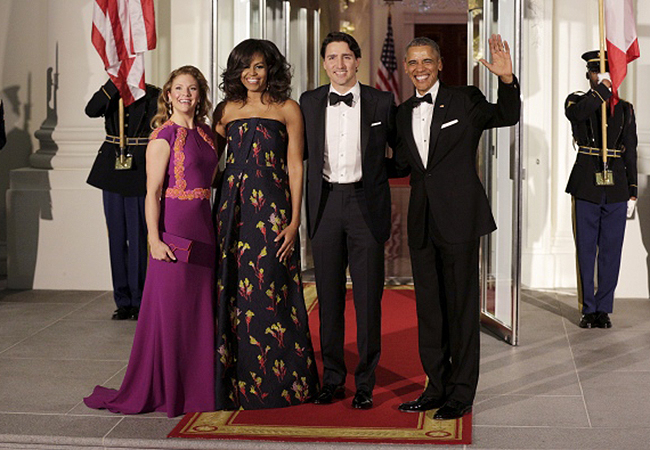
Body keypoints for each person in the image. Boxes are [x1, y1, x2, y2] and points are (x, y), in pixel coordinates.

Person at [394, 35, 520, 420]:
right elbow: (403, 166)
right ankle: (436, 386)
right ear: (405, 66)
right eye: (413, 62)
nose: (419, 69)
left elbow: (506, 115)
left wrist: (508, 80)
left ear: (440, 64)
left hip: (461, 220)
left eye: (426, 61)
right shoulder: (401, 113)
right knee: (430, 312)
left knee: (461, 310)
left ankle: (461, 393)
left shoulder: (466, 100)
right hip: (422, 222)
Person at [84, 66, 219, 417]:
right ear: (169, 95)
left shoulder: (207, 134)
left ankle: (198, 388)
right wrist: (154, 240)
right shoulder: (162, 136)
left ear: (200, 93)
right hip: (174, 230)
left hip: (204, 229)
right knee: (171, 314)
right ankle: (168, 390)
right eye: (179, 88)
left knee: (198, 313)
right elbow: (152, 193)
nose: (186, 94)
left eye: (192, 88)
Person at [212, 39, 319, 410]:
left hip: (271, 210)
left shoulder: (288, 108)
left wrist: (294, 222)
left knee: (271, 291)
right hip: (231, 212)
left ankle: (279, 385)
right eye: (246, 67)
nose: (252, 75)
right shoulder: (225, 111)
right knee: (231, 292)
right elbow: (209, 163)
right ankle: (231, 384)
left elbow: (295, 166)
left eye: (259, 66)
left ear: (271, 68)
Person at [300, 31, 397, 410]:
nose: (339, 64)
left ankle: (366, 383)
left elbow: (401, 153)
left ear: (357, 61)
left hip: (364, 205)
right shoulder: (308, 103)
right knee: (328, 298)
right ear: (324, 63)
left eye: (346, 57)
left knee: (369, 299)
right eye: (332, 57)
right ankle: (334, 379)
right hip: (324, 205)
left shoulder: (381, 101)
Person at [565, 50, 637, 329]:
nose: (603, 76)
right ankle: (588, 308)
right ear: (589, 74)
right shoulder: (577, 100)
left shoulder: (626, 109)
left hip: (616, 185)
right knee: (585, 248)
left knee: (611, 250)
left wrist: (632, 189)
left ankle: (604, 308)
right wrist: (602, 91)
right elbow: (577, 113)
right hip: (587, 183)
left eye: (608, 72)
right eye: (597, 72)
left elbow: (630, 149)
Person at [85, 79, 161, 320]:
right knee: (116, 237)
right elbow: (91, 110)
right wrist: (111, 87)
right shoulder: (111, 92)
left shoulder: (154, 94)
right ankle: (123, 299)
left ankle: (139, 300)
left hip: (139, 169)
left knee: (139, 236)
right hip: (112, 170)